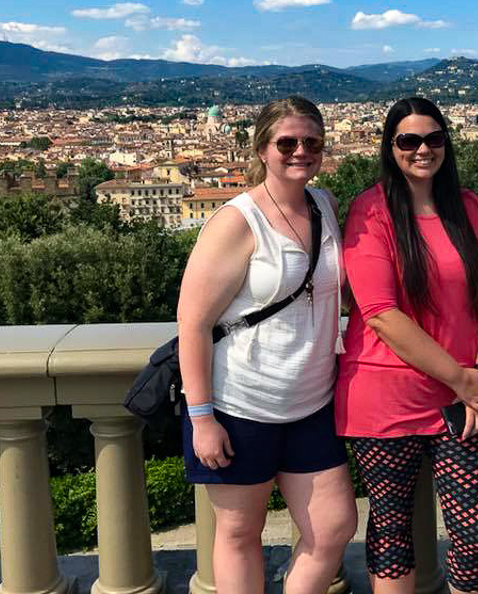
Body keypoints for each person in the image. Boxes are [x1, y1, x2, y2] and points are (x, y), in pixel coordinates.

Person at [177, 96, 357, 594]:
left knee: (334, 526)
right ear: (262, 149)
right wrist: (202, 419)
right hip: (240, 405)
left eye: (312, 142)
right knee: (239, 533)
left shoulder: (325, 206)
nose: (301, 151)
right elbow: (192, 324)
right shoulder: (236, 221)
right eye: (288, 143)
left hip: (313, 403)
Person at [336, 96, 478, 594]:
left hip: (464, 398)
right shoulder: (371, 210)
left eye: (433, 138)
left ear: (446, 143)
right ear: (390, 148)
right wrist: (464, 380)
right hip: (387, 397)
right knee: (391, 531)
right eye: (409, 140)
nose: (422, 149)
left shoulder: (468, 206)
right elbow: (381, 314)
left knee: (476, 534)